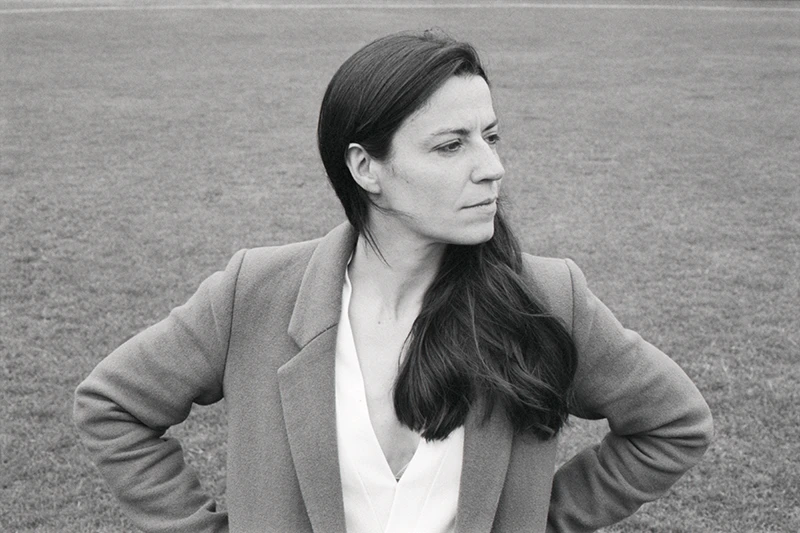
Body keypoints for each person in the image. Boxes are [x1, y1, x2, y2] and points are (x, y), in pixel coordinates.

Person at [74, 30, 714, 533]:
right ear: (366, 167)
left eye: (490, 136)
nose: (492, 167)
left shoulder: (545, 297)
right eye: (450, 145)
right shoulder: (256, 292)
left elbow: (674, 424)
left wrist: (536, 521)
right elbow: (113, 406)